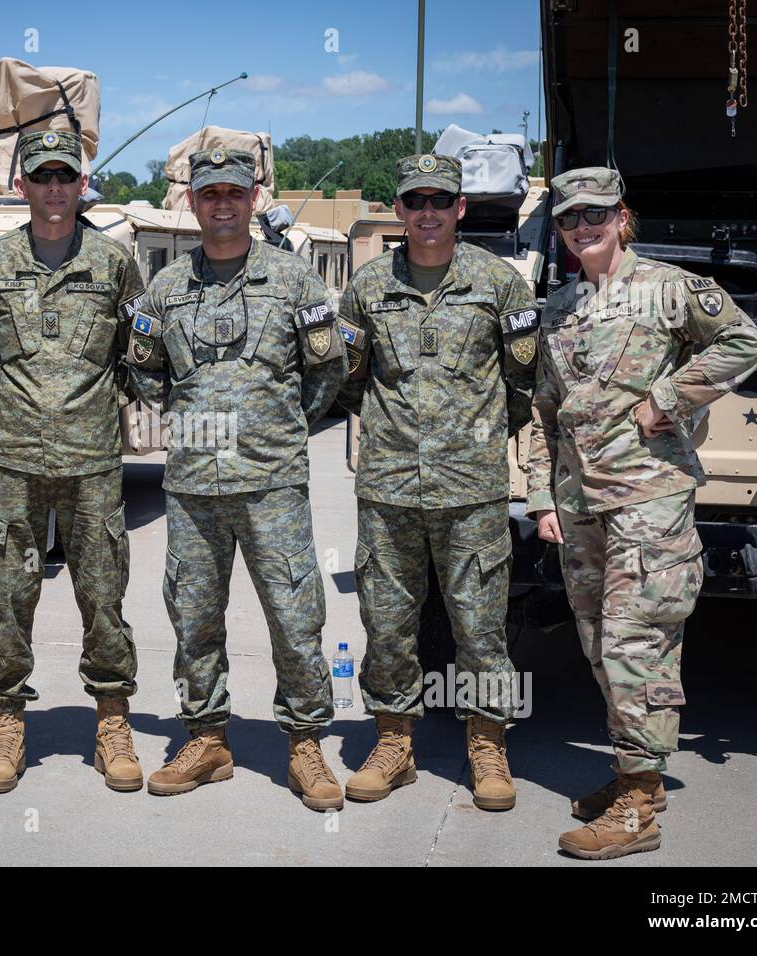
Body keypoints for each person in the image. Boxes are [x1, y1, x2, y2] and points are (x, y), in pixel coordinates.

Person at [527, 167, 757, 858]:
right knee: (601, 645)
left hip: (648, 501)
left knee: (638, 644)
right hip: (582, 508)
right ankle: (639, 775)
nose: (583, 226)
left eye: (596, 213)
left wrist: (671, 395)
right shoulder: (561, 306)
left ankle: (638, 806)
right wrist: (544, 497)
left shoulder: (669, 289)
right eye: (570, 219)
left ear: (622, 216)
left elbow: (743, 343)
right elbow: (545, 411)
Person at [126, 147, 348, 811]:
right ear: (189, 202)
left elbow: (328, 371)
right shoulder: (164, 290)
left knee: (294, 611)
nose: (222, 203)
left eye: (235, 191)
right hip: (193, 490)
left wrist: (275, 431)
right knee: (193, 615)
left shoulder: (295, 281)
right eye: (209, 192)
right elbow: (144, 376)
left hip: (272, 484)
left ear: (255, 197)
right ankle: (206, 737)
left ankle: (305, 742)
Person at [336, 153, 540, 810]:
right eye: (414, 200)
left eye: (439, 201)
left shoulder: (500, 285)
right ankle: (394, 742)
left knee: (480, 629)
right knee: (387, 625)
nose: (427, 212)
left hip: (472, 493)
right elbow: (347, 378)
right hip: (388, 489)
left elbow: (522, 384)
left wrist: (470, 445)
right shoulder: (366, 287)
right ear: (399, 209)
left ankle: (488, 746)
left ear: (460, 208)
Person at [0, 129, 145, 794]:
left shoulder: (114, 262)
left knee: (104, 595)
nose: (56, 188)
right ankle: (7, 723)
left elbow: (138, 351)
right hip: (14, 462)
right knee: (10, 596)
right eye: (43, 176)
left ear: (82, 184)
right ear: (23, 187)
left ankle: (113, 723)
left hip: (93, 463)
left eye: (67, 176)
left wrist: (104, 405)